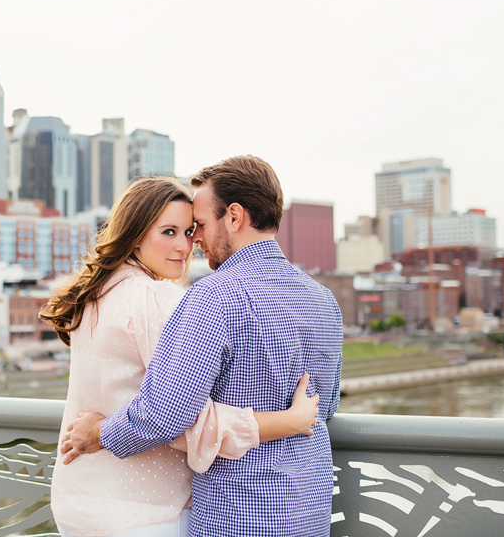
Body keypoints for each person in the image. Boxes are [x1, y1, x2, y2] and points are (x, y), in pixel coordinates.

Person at [61, 156, 344, 537]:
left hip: (239, 511)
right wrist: (291, 419)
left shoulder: (212, 297)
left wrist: (102, 433)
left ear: (234, 217)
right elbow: (323, 408)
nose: (194, 241)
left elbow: (166, 414)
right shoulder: (323, 298)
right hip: (309, 506)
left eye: (201, 226)